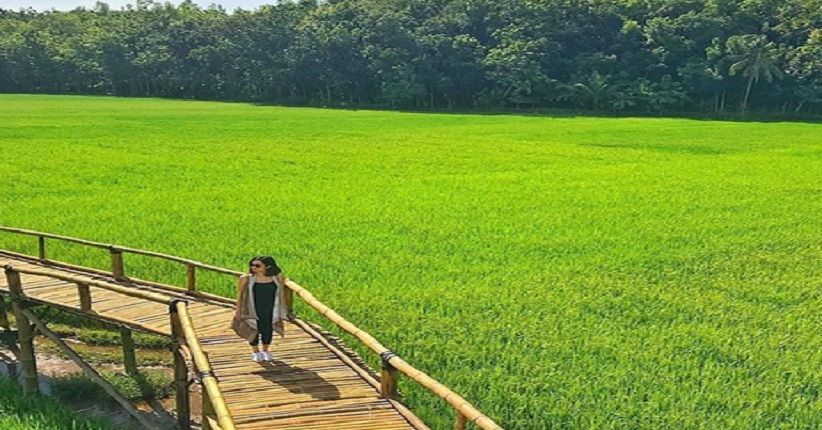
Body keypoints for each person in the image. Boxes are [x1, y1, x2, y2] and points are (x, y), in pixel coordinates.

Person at [234, 255, 288, 362]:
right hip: (251, 308)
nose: (254, 268)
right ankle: (255, 351)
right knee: (252, 329)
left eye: (257, 265)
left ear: (267, 266)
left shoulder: (276, 278)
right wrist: (238, 311)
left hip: (271, 309)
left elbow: (281, 292)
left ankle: (265, 350)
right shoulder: (246, 279)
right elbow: (239, 296)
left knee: (267, 329)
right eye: (252, 265)